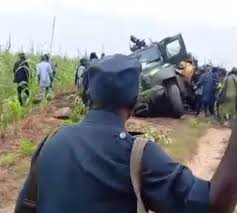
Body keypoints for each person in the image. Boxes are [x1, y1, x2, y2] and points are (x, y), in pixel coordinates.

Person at [15, 54, 237, 213]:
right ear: (134, 103)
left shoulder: (51, 142)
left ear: (89, 97)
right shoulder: (138, 156)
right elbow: (212, 205)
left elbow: (25, 207)